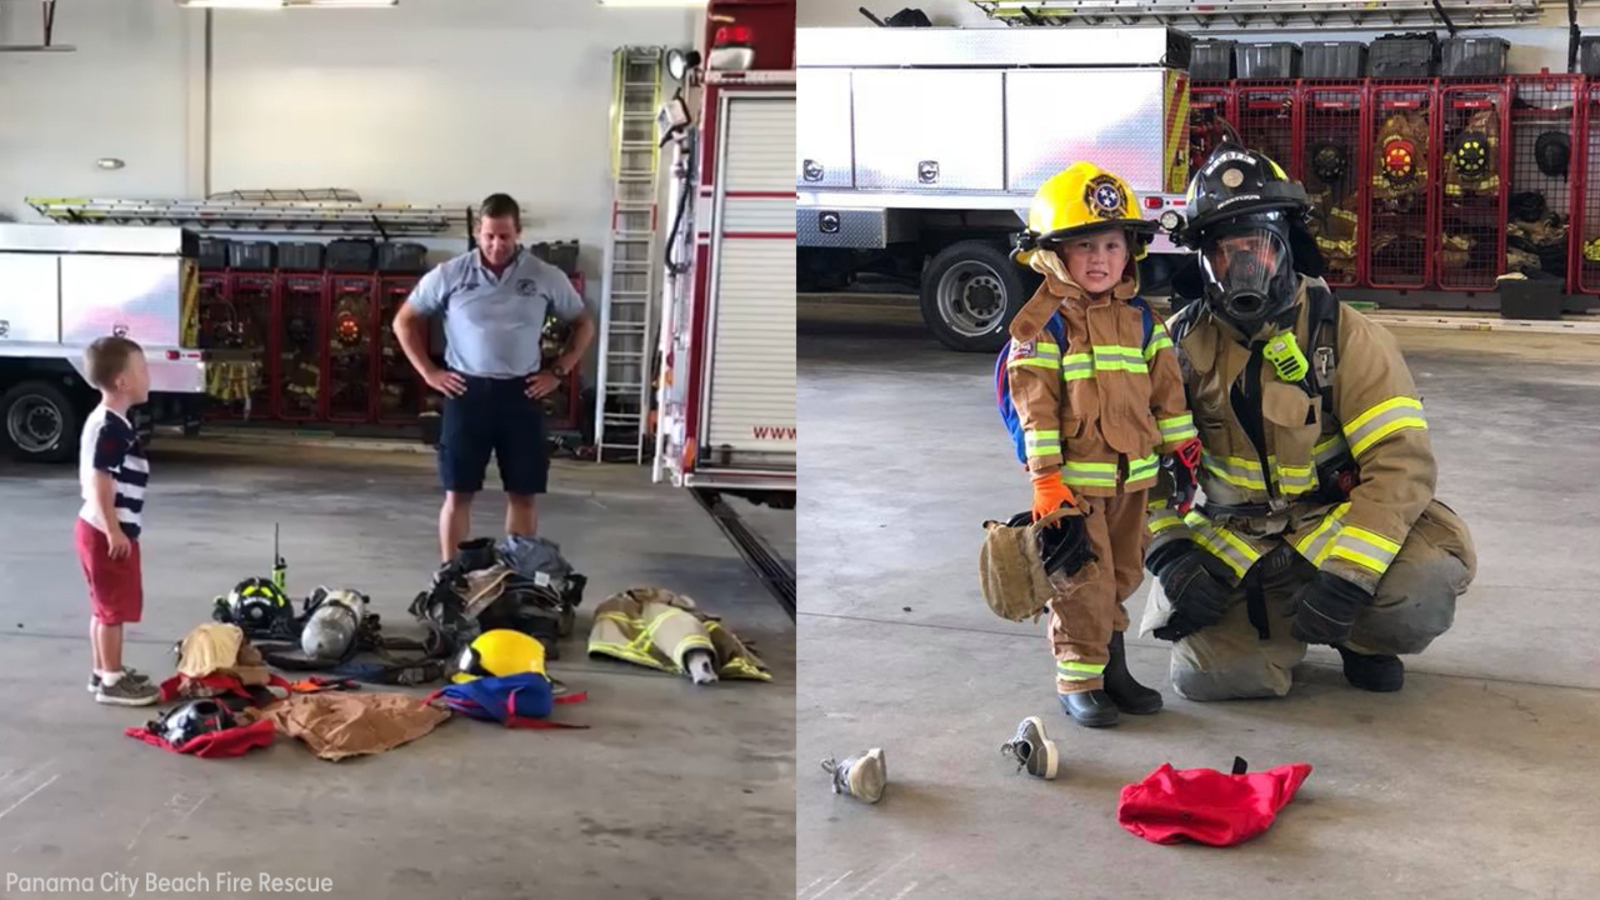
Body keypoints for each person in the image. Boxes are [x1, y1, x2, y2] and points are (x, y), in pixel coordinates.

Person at [1141, 140, 1478, 700]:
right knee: (1209, 682)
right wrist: (1170, 552)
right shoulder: (1172, 345)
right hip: (1236, 540)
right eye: (1225, 251)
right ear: (1201, 261)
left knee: (1419, 587)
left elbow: (1400, 466)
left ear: (1288, 247)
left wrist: (1351, 579)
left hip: (1332, 527)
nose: (1243, 267)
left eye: (1258, 248)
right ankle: (1269, 630)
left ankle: (1363, 639)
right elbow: (1141, 468)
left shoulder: (1346, 335)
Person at [1005, 162, 1201, 728]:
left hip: (1134, 480)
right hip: (1074, 488)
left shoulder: (1144, 322)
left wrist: (1183, 457)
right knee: (1080, 583)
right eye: (1084, 245)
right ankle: (1078, 679)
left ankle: (1112, 670)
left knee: (1122, 576)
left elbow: (1169, 397)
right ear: (1052, 254)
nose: (1098, 258)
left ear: (1129, 252)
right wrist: (1046, 480)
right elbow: (1034, 407)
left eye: (1112, 244)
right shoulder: (1043, 327)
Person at [394, 194, 597, 561]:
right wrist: (429, 372)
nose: (496, 245)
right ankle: (451, 577)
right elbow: (403, 321)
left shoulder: (545, 276)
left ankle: (518, 577)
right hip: (466, 394)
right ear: (478, 232)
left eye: (504, 236)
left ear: (518, 232)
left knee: (522, 492)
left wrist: (558, 371)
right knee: (458, 493)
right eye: (489, 236)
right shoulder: (450, 274)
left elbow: (583, 324)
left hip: (522, 395)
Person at [76, 336, 159, 706]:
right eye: (142, 369)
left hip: (93, 527)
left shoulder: (107, 421)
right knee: (113, 611)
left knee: (103, 607)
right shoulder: (112, 427)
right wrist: (114, 529)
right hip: (105, 531)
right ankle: (112, 681)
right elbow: (102, 478)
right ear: (123, 382)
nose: (148, 375)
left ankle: (102, 671)